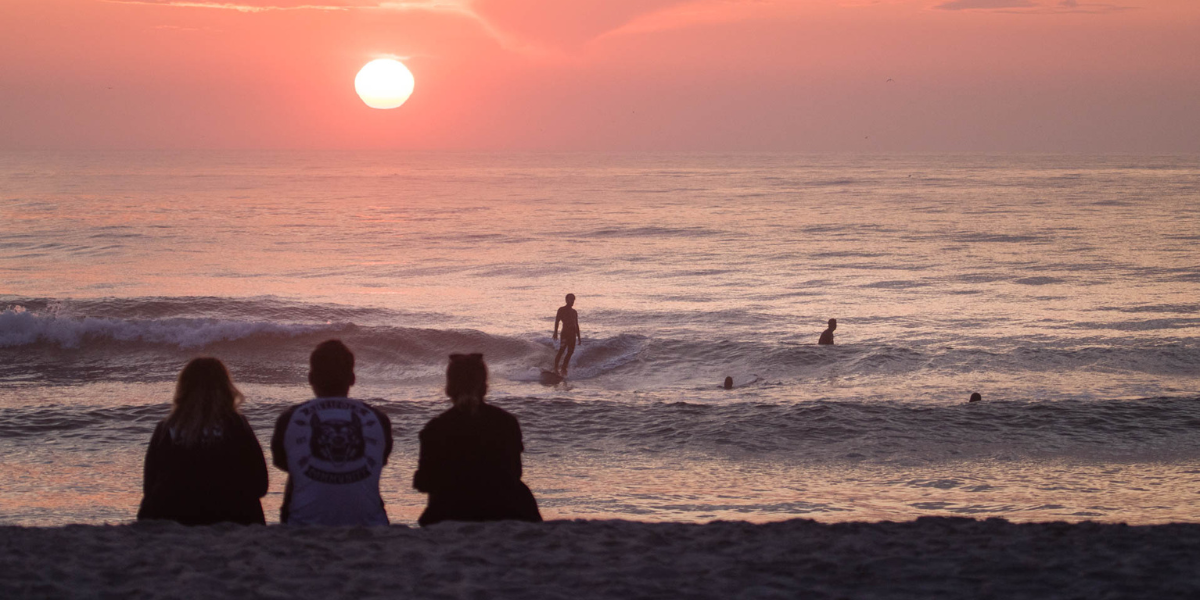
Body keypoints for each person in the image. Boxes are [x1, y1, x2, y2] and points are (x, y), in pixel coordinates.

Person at [271, 340, 393, 526]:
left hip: (303, 526)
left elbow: (283, 462)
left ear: (310, 378)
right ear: (352, 378)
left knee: (298, 472)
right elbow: (379, 460)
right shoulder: (378, 419)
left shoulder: (289, 419)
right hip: (369, 527)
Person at [413, 353, 542, 526]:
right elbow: (515, 473)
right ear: (484, 386)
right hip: (505, 511)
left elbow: (423, 482)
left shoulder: (436, 428)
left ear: (449, 388)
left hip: (451, 513)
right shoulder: (506, 422)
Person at [138, 357, 268, 525]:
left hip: (171, 517)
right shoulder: (237, 425)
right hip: (231, 517)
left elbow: (150, 488)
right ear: (226, 388)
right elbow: (260, 485)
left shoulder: (165, 429)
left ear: (182, 389)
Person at [553, 293, 582, 376]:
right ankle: (555, 368)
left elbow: (576, 324)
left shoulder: (574, 312)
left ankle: (563, 368)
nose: (572, 301)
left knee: (570, 352)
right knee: (561, 350)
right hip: (565, 334)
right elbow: (557, 321)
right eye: (570, 299)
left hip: (573, 335)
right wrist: (555, 332)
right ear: (566, 300)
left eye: (573, 300)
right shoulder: (561, 310)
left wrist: (579, 337)